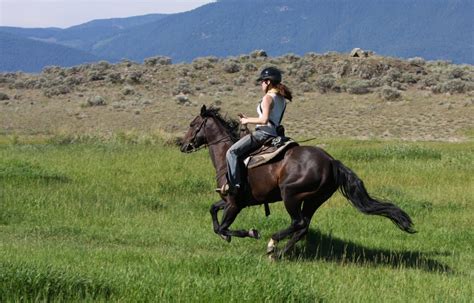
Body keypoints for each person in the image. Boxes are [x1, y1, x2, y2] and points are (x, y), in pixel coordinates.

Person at [217, 67, 293, 196]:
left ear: (268, 82)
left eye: (262, 81)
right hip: (276, 134)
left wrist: (246, 121)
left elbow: (264, 120)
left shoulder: (268, 98)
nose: (261, 84)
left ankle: (234, 186)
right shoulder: (281, 99)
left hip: (263, 134)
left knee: (232, 152)